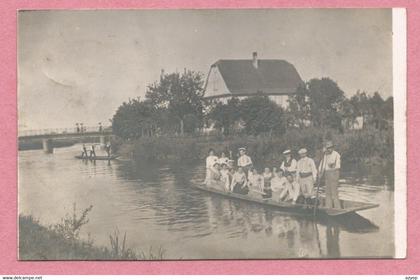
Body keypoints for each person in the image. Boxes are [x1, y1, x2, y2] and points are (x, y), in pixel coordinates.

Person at [319, 141, 342, 209]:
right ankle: (328, 207)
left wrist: (332, 166)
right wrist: (320, 173)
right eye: (327, 148)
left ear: (333, 148)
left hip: (334, 174)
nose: (329, 149)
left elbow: (338, 166)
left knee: (334, 192)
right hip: (327, 175)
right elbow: (322, 166)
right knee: (328, 192)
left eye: (330, 148)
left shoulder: (336, 154)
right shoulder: (325, 156)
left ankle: (337, 208)